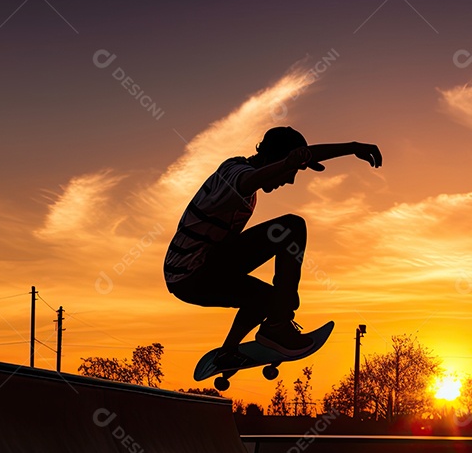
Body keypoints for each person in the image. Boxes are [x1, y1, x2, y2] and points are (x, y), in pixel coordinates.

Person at [164, 127, 382, 366]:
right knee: (291, 228)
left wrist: (352, 148)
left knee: (269, 297)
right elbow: (248, 180)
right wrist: (287, 163)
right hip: (191, 272)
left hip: (199, 270)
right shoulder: (234, 175)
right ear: (274, 160)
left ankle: (228, 351)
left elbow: (291, 161)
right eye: (290, 171)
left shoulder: (246, 184)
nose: (290, 180)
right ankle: (278, 325)